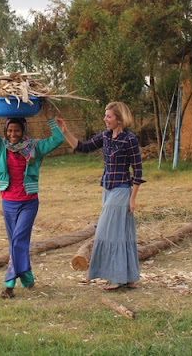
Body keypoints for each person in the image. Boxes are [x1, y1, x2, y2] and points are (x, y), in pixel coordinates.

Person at [0, 101, 65, 299]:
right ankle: (27, 277)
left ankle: (9, 285)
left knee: (18, 241)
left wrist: (49, 118)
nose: (13, 134)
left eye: (16, 130)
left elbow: (58, 139)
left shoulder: (35, 147)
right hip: (8, 202)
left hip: (28, 202)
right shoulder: (0, 147)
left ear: (23, 130)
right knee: (15, 243)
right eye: (10, 130)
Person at [59, 101, 144, 291]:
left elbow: (138, 170)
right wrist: (65, 131)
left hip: (122, 190)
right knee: (122, 233)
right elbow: (83, 147)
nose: (105, 119)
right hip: (107, 189)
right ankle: (129, 277)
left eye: (109, 116)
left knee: (107, 232)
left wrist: (133, 198)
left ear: (119, 119)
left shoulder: (129, 139)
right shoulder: (105, 136)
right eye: (105, 115)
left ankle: (116, 278)